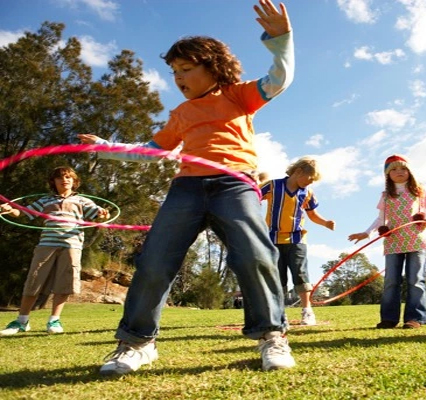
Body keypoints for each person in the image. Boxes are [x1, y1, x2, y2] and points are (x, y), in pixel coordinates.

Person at [77, 0, 296, 374]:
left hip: (235, 184)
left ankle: (272, 336)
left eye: (187, 69)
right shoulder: (180, 113)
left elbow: (278, 80)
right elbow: (151, 152)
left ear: (214, 68)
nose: (178, 78)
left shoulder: (237, 95)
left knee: (255, 255)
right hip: (187, 187)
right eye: (174, 71)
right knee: (154, 261)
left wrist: (281, 41)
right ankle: (136, 343)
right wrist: (106, 148)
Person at [0, 167, 109, 336]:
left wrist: (103, 213)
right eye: (59, 177)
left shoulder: (82, 200)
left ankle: (54, 320)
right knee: (34, 279)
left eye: (68, 177)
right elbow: (23, 213)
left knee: (64, 282)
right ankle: (22, 321)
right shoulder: (45, 200)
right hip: (46, 245)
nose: (64, 180)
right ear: (53, 182)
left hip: (72, 245)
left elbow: (99, 214)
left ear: (74, 181)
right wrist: (9, 209)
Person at [348, 155, 426, 329]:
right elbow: (381, 218)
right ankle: (389, 318)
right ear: (387, 174)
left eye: (403, 168)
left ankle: (415, 318)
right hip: (393, 240)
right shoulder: (385, 195)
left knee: (416, 279)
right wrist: (367, 233)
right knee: (391, 280)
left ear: (410, 171)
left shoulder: (420, 190)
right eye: (394, 169)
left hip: (416, 238)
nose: (399, 172)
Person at [260, 157, 335, 326]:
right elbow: (254, 197)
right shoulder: (272, 186)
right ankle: (279, 313)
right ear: (299, 171)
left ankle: (307, 311)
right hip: (272, 239)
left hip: (297, 238)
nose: (310, 183)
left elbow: (313, 214)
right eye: (310, 178)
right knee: (277, 277)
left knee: (300, 273)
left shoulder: (307, 192)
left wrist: (325, 223)